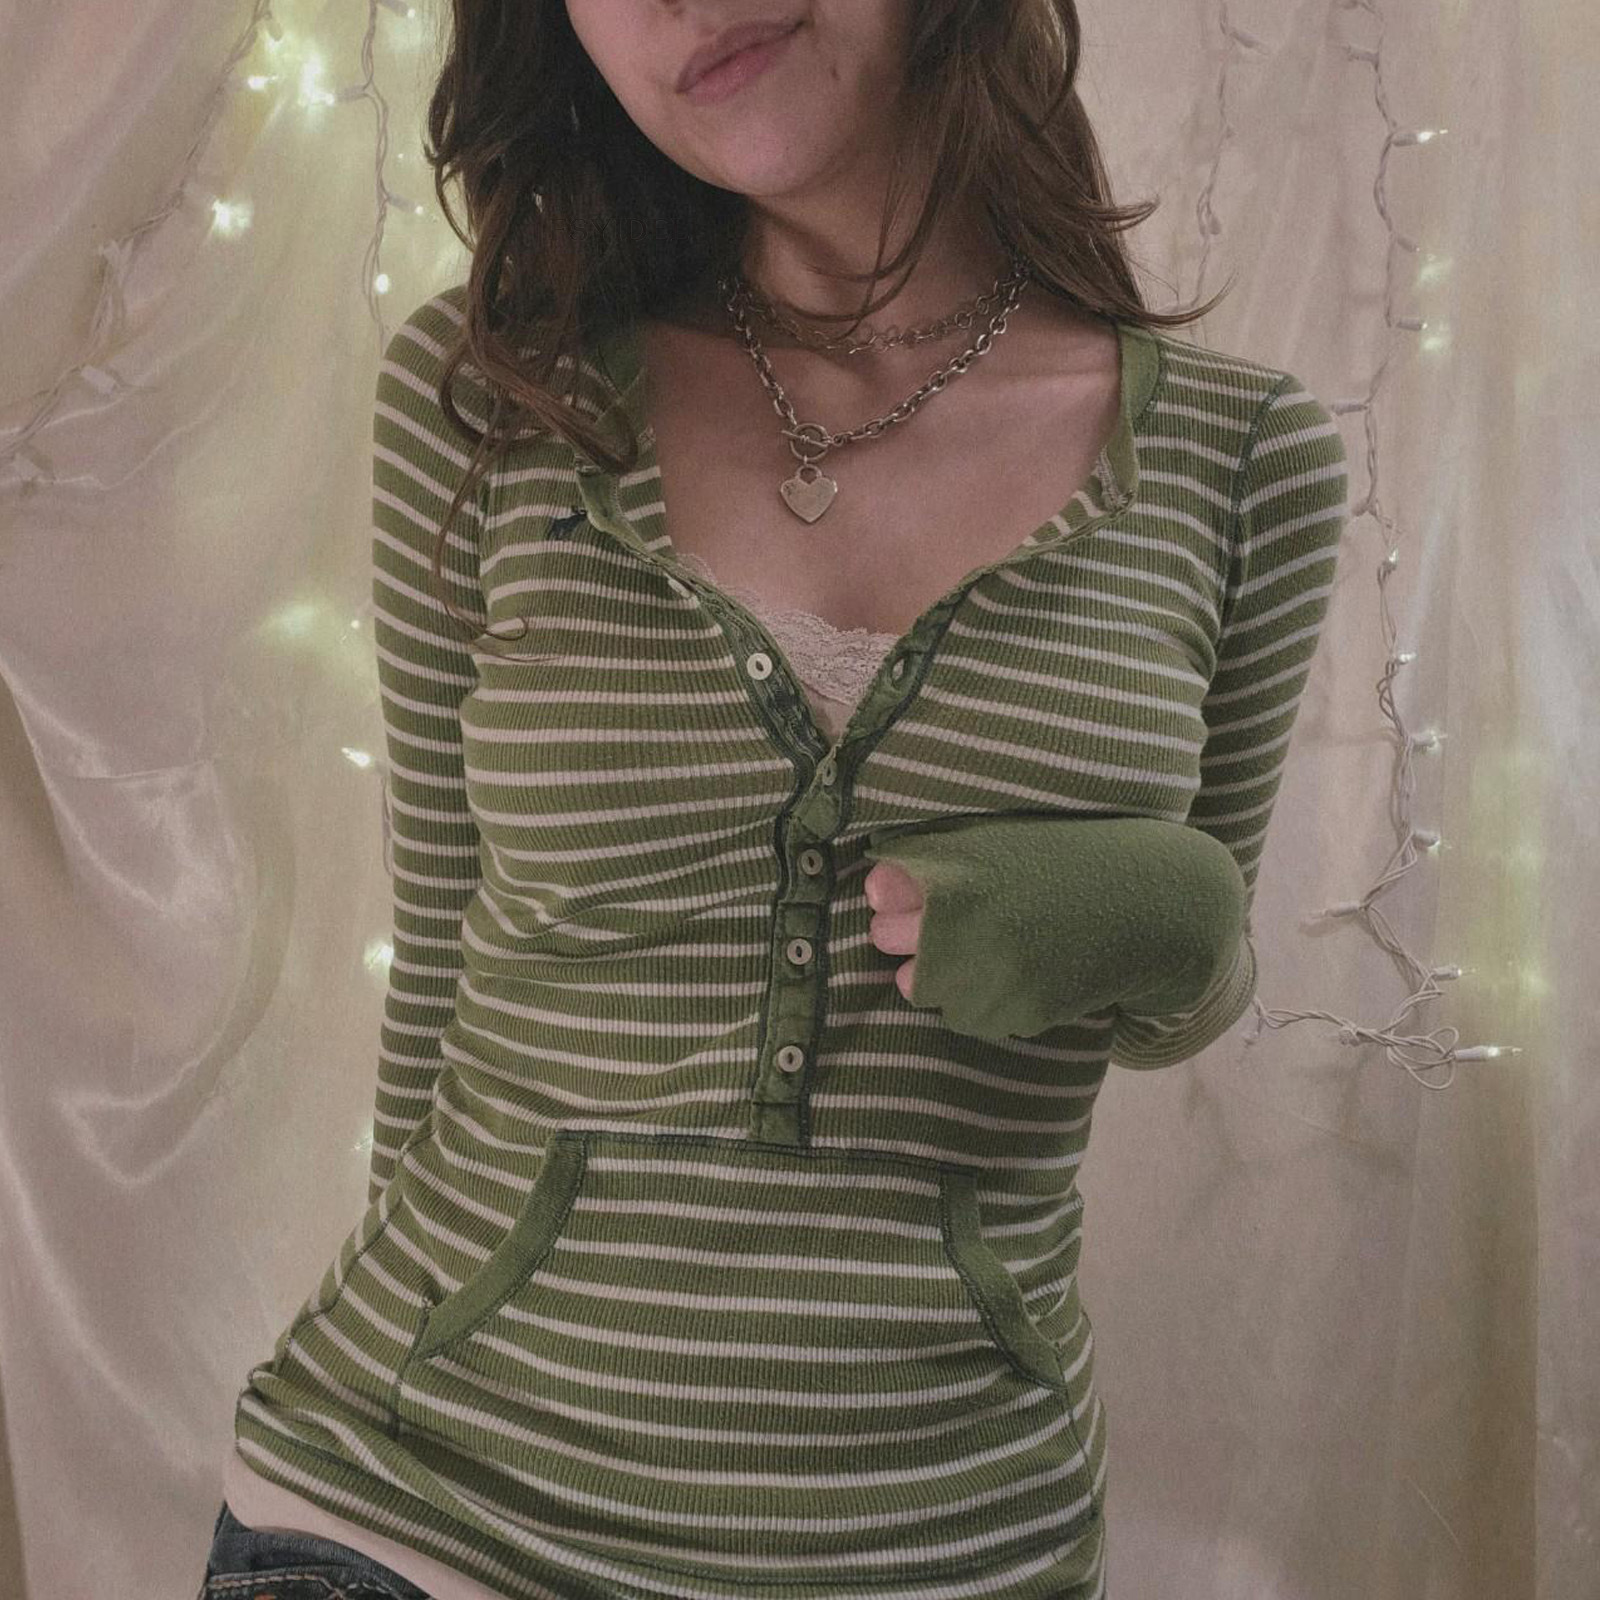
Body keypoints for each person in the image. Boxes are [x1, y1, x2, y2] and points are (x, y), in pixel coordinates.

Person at [194, 2, 1350, 1597]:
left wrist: (1177, 903)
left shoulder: (1245, 460)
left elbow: (1184, 989)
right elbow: (445, 961)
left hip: (947, 1543)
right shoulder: (492, 395)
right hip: (404, 1516)